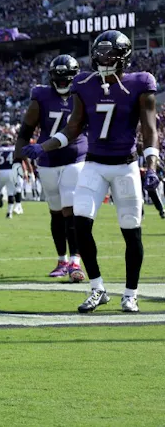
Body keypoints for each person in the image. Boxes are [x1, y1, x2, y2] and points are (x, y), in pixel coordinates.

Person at [24, 30, 158, 313]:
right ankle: (97, 288)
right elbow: (73, 128)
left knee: (131, 232)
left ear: (123, 56)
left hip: (126, 165)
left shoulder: (140, 83)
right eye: (99, 51)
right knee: (81, 225)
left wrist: (152, 164)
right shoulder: (84, 84)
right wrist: (45, 146)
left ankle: (130, 293)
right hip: (94, 164)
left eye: (109, 52)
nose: (102, 57)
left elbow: (149, 128)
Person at [15, 55, 86, 282]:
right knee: (56, 212)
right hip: (47, 161)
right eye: (59, 78)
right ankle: (62, 259)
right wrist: (18, 160)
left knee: (70, 208)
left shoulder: (83, 95)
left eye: (67, 79)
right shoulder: (41, 97)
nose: (63, 83)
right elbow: (25, 132)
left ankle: (75, 261)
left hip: (75, 157)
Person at [0, 137, 20, 219]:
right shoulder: (14, 148)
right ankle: (9, 213)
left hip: (0, 172)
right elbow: (20, 160)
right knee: (11, 193)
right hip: (11, 171)